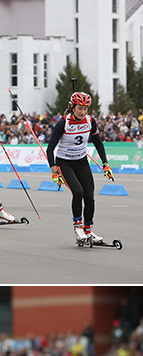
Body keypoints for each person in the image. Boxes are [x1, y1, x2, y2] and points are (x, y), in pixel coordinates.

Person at [46, 91, 114, 244]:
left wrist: (105, 163)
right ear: (72, 107)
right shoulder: (63, 123)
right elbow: (50, 148)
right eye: (79, 108)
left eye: (85, 108)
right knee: (78, 192)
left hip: (82, 162)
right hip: (64, 164)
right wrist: (54, 170)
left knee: (89, 196)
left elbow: (98, 142)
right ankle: (78, 228)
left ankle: (88, 230)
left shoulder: (90, 121)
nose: (83, 112)